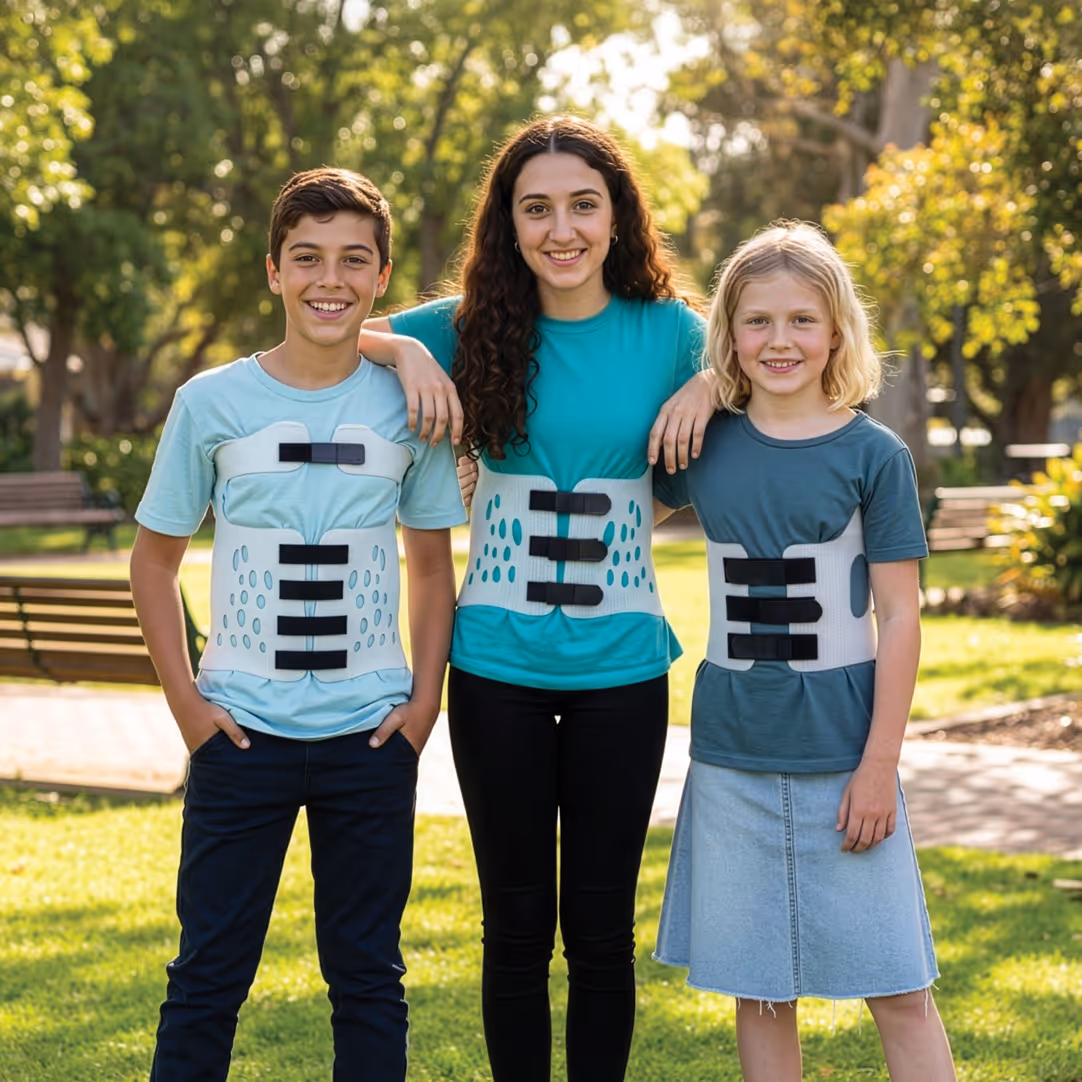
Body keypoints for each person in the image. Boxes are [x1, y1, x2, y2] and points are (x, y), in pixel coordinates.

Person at [359, 115, 714, 1081]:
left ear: (618, 216)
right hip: (494, 671)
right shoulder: (466, 325)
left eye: (583, 206)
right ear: (508, 224)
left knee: (600, 930)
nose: (562, 229)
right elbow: (336, 328)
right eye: (537, 208)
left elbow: (789, 358)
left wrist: (712, 384)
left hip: (625, 671)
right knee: (514, 926)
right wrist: (409, 355)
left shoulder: (676, 333)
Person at [129, 167, 465, 1082]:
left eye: (355, 259)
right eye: (308, 257)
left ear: (382, 276)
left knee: (368, 979)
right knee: (206, 977)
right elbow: (152, 564)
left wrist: (422, 705)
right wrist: (192, 713)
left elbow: (432, 569)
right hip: (241, 735)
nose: (332, 278)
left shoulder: (410, 405)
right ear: (273, 270)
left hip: (371, 736)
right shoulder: (211, 402)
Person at [651, 221, 957, 1081]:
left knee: (898, 984)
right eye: (757, 322)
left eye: (801, 320)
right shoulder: (701, 447)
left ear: (836, 332)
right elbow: (615, 506)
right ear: (730, 335)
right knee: (761, 989)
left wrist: (878, 764)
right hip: (733, 754)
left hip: (845, 754)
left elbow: (900, 616)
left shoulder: (874, 456)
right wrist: (701, 393)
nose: (779, 340)